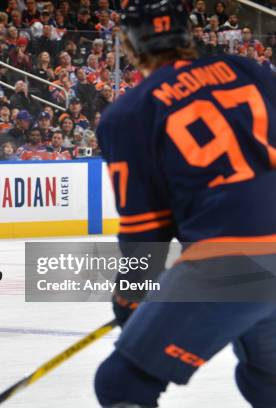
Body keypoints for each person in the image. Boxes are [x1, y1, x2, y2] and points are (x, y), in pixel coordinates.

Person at [94, 1, 276, 407]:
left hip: (233, 259)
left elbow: (146, 233)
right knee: (268, 382)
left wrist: (128, 300)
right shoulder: (252, 71)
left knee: (122, 384)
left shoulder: (128, 112)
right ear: (188, 34)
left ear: (130, 44)